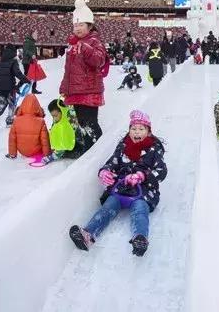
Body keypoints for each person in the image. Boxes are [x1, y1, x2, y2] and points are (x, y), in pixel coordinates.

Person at [68, 110, 166, 257]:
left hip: (143, 191)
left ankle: (140, 238)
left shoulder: (153, 150)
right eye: (133, 129)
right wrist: (104, 171)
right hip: (120, 189)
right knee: (107, 208)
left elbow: (161, 171)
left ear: (148, 131)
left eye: (141, 129)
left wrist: (142, 176)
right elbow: (112, 162)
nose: (136, 132)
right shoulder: (123, 147)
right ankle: (88, 234)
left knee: (140, 211)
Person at [60, 0, 107, 143]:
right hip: (75, 91)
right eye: (75, 25)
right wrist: (64, 87)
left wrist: (86, 49)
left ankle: (99, 149)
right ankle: (88, 149)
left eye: (81, 25)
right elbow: (69, 70)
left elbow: (99, 61)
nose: (77, 28)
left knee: (90, 124)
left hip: (89, 91)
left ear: (90, 26)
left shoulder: (94, 42)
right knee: (81, 124)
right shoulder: (72, 45)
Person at [42, 98, 96, 164]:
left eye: (55, 116)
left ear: (63, 111)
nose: (54, 118)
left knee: (65, 153)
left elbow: (63, 142)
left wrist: (53, 156)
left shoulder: (71, 120)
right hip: (68, 145)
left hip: (78, 147)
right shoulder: (57, 121)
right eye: (52, 116)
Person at [0, 44, 29, 128]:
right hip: (9, 87)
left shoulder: (1, 61)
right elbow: (18, 73)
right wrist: (26, 79)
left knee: (2, 102)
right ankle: (9, 122)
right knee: (12, 103)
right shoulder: (13, 61)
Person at [4, 94, 51, 160]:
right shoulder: (40, 121)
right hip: (36, 152)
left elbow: (12, 139)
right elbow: (45, 140)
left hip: (22, 151)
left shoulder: (16, 120)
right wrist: (47, 154)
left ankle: (12, 155)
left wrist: (12, 154)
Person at [22, 30, 41, 94]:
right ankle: (19, 88)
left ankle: (33, 89)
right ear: (32, 34)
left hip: (32, 61)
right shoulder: (27, 41)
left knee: (35, 75)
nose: (37, 36)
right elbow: (26, 50)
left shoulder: (32, 42)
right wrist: (32, 55)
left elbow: (33, 51)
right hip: (27, 62)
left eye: (37, 34)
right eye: (35, 34)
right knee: (27, 76)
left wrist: (35, 58)